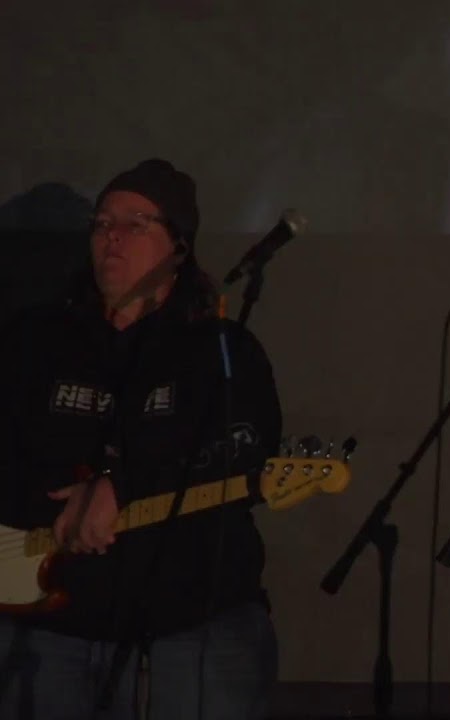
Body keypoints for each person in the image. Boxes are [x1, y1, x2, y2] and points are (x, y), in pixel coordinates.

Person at [0, 159, 283, 719]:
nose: (113, 236)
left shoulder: (220, 348)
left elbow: (246, 449)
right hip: (44, 627)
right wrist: (49, 510)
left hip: (190, 631)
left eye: (136, 223)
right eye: (103, 223)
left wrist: (121, 487)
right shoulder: (34, 338)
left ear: (179, 246)